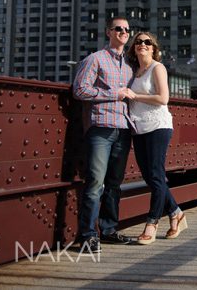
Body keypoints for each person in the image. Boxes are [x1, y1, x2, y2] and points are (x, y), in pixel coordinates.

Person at [73, 16, 136, 253]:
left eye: (126, 29)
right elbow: (80, 90)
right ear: (108, 32)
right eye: (118, 28)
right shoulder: (95, 59)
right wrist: (114, 95)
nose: (123, 32)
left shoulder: (130, 65)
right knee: (94, 184)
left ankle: (108, 231)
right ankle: (88, 236)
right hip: (101, 128)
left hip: (123, 129)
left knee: (114, 184)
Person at [126, 31, 187, 244]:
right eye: (138, 42)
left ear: (153, 48)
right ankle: (176, 214)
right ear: (134, 48)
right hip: (139, 129)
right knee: (152, 177)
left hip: (158, 127)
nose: (142, 44)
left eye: (147, 42)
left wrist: (135, 95)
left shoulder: (157, 68)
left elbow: (163, 98)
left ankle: (151, 223)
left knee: (155, 174)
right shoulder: (135, 72)